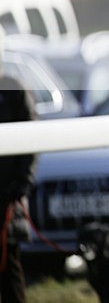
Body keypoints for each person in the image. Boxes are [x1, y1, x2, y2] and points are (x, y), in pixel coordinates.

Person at [0, 27, 38, 303]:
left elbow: (31, 140)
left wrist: (20, 185)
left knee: (9, 268)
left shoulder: (14, 89)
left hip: (7, 199)